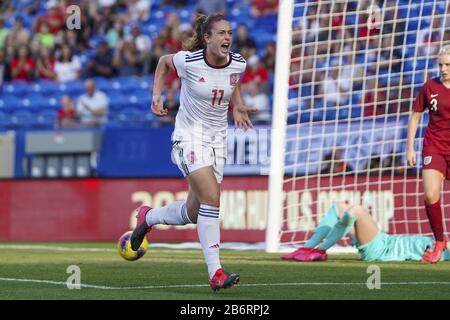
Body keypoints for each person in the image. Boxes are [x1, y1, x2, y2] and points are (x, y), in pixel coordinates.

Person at [130, 13, 256, 291]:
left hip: (217, 141)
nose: (228, 38)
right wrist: (156, 95)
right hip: (189, 138)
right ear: (207, 38)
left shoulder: (238, 63)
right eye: (221, 33)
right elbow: (163, 63)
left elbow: (232, 81)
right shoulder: (188, 61)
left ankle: (148, 217)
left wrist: (238, 105)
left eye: (230, 33)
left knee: (194, 212)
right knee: (212, 197)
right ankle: (216, 273)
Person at [281, 202, 450, 262]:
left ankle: (319, 250)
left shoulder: (444, 252)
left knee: (357, 211)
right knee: (339, 208)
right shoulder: (442, 245)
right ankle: (306, 248)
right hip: (386, 241)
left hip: (382, 250)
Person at [406, 45, 450, 263]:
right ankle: (440, 241)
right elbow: (415, 116)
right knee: (431, 194)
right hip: (434, 147)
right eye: (441, 64)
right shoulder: (429, 87)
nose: (443, 69)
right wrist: (410, 147)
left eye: (447, 65)